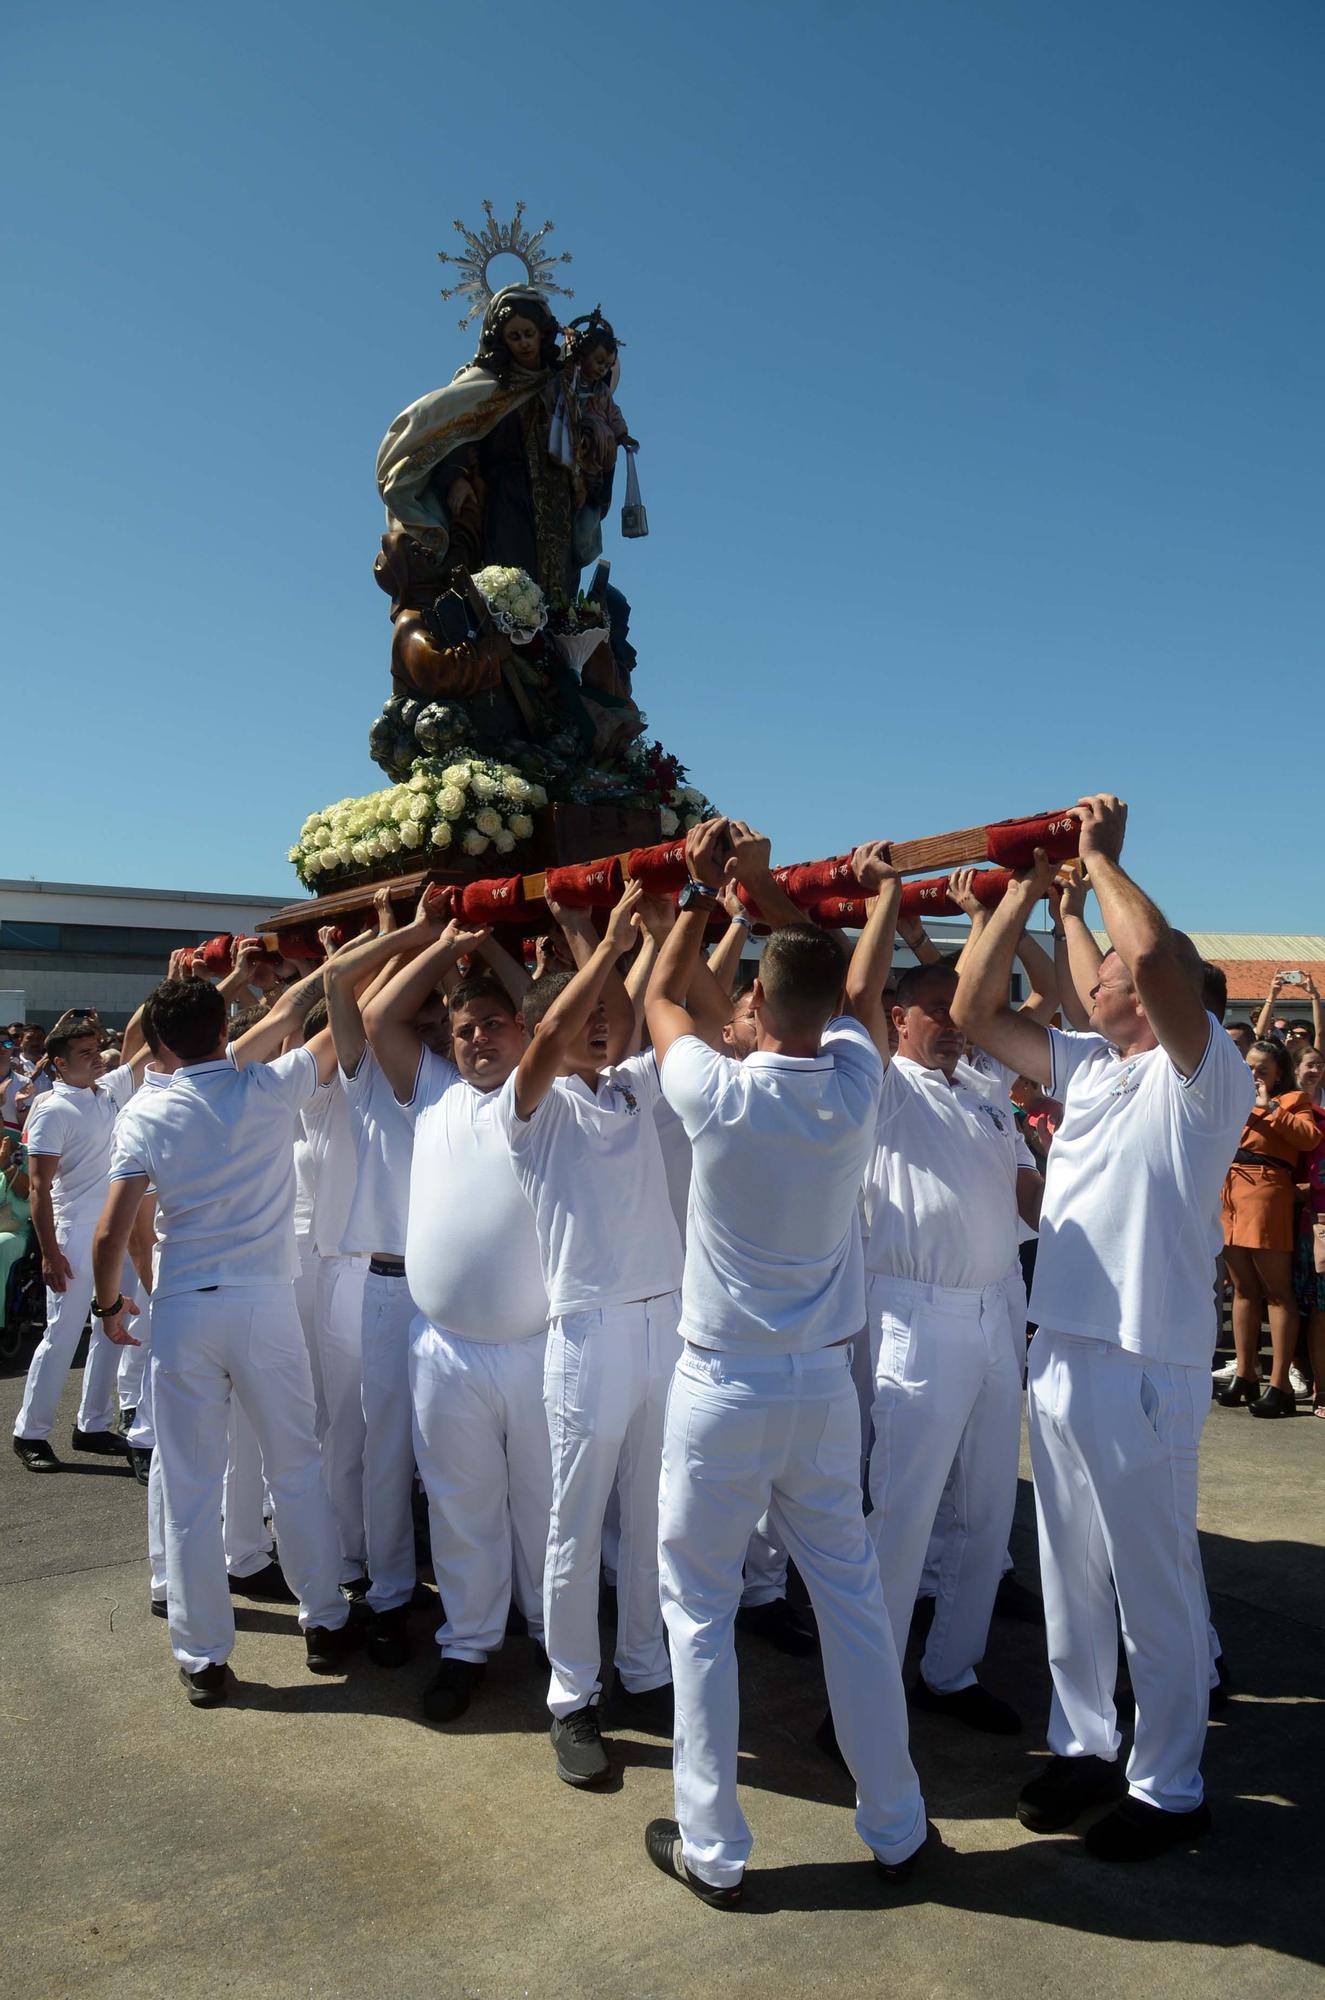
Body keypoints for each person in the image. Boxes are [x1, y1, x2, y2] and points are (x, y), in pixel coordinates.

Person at [952, 794, 1252, 1863]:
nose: (1100, 976)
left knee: (1151, 1581)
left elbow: (1157, 957)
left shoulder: (1201, 1075)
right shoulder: (1092, 1068)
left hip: (1141, 1362)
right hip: (1064, 1347)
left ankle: (1170, 1783)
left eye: (1114, 973)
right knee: (1070, 1569)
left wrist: (1095, 860)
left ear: (1177, 1005)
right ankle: (1083, 1741)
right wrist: (1034, 892)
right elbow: (973, 1005)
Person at [642, 820, 927, 1906]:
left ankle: (714, 1845)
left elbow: (663, 992)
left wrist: (705, 890)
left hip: (722, 1383)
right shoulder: (855, 1081)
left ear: (752, 1007)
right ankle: (896, 1824)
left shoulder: (718, 1090)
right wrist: (874, 898)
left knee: (699, 1610)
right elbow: (852, 1000)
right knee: (851, 1606)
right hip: (819, 1386)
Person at [91, 977, 357, 1705]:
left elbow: (113, 1229)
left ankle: (204, 1655)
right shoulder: (268, 1087)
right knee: (295, 1467)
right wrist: (347, 964)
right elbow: (313, 1022)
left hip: (185, 1308)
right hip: (265, 1302)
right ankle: (325, 1619)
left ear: (161, 1044)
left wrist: (110, 1304)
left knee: (189, 1485)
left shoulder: (146, 1109)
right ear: (220, 1029)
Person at [497, 881, 683, 1788]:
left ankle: (645, 1664)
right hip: (591, 1334)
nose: (603, 1027)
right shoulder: (530, 1110)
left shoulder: (631, 1091)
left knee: (653, 1511)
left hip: (664, 1323)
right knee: (574, 1524)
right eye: (587, 1017)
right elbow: (539, 1045)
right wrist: (601, 945)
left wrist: (672, 922)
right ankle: (573, 1694)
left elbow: (661, 990)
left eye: (609, 1017)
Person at [364, 906, 551, 1726]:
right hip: (443, 1350)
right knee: (459, 1504)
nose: (477, 1038)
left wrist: (501, 957)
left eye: (493, 1026)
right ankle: (469, 1641)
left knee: (547, 1509)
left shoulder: (545, 1095)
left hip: (539, 1348)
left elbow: (553, 1010)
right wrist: (444, 947)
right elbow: (376, 1017)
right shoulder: (434, 1094)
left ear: (523, 1032)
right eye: (464, 1027)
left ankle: (557, 1644)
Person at [11, 1017, 145, 1470]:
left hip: (115, 1234)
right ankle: (30, 1433)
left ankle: (92, 1425)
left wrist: (179, 980)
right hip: (71, 1235)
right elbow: (37, 1188)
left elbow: (146, 1043)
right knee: (62, 1335)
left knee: (114, 1328)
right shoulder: (52, 1108)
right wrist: (49, 1251)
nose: (96, 1057)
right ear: (59, 1065)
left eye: (96, 1049)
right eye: (85, 1054)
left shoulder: (105, 1092)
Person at [1216, 1038, 1317, 1416]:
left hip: (1267, 1191)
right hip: (1229, 1191)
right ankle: (1245, 1374)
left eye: (1263, 1070)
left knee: (1277, 1291)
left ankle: (1279, 1384)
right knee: (1242, 1290)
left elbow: (1310, 1137)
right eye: (1249, 1067)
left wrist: (1269, 1107)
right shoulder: (1231, 1097)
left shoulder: (1293, 1101)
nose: (1253, 1075)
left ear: (1278, 1076)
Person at [1290, 1042, 1325, 1416]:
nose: (1316, 1071)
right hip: (1313, 1226)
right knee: (1319, 1310)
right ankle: (1321, 1389)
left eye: (1321, 1064)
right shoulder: (1308, 1117)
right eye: (1309, 1064)